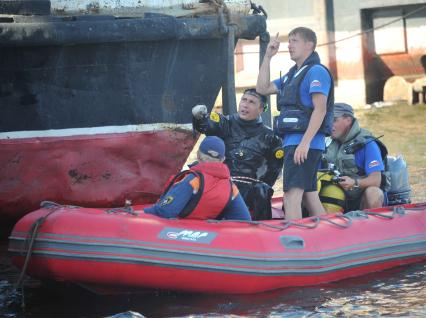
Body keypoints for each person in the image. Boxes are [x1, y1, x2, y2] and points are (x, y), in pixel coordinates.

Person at [256, 27, 334, 220]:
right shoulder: (291, 75)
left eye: (294, 41)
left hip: (304, 144)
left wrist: (305, 143)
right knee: (309, 196)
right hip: (295, 143)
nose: (289, 45)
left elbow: (320, 109)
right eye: (289, 41)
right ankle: (328, 235)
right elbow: (262, 88)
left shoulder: (316, 72)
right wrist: (268, 57)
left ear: (309, 44)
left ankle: (295, 240)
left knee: (291, 196)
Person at [191, 89, 283, 220]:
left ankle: (260, 231)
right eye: (243, 100)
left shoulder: (271, 138)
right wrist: (200, 117)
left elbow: (273, 171)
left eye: (251, 102)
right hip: (223, 183)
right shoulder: (225, 123)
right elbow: (208, 125)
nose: (245, 105)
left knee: (263, 190)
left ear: (261, 109)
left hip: (251, 190)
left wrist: (258, 185)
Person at [144, 136, 251, 221]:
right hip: (209, 240)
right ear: (222, 159)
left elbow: (166, 211)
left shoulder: (193, 180)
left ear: (198, 155)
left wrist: (144, 212)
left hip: (182, 236)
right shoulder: (231, 187)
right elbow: (244, 219)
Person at [323, 103, 389, 211]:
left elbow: (376, 180)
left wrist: (354, 182)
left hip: (362, 200)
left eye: (334, 120)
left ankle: (373, 224)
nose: (329, 124)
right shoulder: (326, 143)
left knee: (373, 192)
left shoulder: (368, 144)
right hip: (337, 198)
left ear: (348, 120)